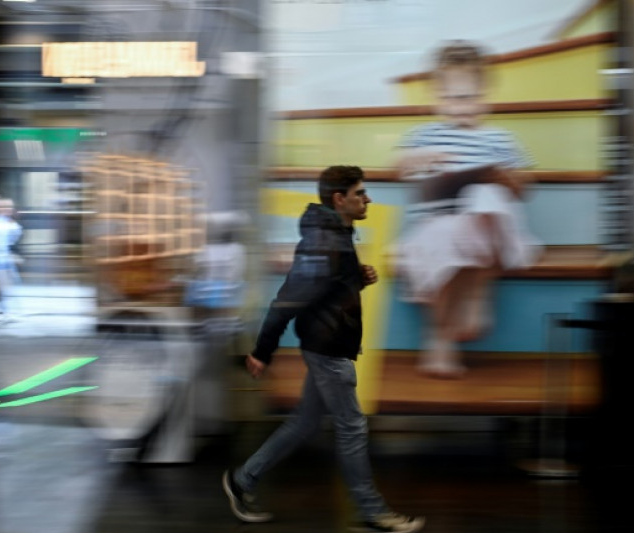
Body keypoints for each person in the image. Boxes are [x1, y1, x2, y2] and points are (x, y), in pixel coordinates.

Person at [222, 166, 425, 533]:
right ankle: (372, 512)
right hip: (328, 349)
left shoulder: (335, 234)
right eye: (360, 193)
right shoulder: (325, 243)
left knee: (305, 423)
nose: (368, 199)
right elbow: (288, 299)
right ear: (339, 199)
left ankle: (243, 480)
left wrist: (353, 280)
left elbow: (323, 290)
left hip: (328, 342)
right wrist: (263, 350)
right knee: (351, 427)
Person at [394, 41, 539, 378]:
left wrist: (505, 179)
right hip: (442, 226)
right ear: (435, 98)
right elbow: (399, 167)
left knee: (484, 195)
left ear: (487, 94)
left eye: (472, 97)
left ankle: (476, 295)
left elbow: (525, 185)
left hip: (488, 230)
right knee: (447, 242)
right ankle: (441, 339)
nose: (463, 107)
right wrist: (416, 158)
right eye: (452, 99)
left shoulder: (499, 139)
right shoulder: (425, 134)